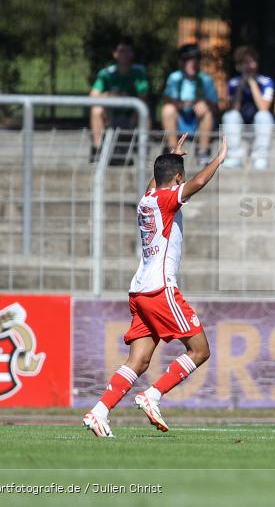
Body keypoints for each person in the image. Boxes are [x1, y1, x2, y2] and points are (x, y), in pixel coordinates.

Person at [82, 133, 228, 438]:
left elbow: (157, 182)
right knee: (200, 350)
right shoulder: (165, 199)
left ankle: (98, 412)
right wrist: (218, 159)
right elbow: (197, 184)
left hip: (139, 290)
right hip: (160, 289)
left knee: (139, 359)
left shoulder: (146, 200)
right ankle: (153, 395)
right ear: (176, 179)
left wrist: (171, 156)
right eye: (180, 179)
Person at [88, 37, 150, 162]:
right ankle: (97, 149)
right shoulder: (106, 74)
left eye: (127, 51)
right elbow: (93, 95)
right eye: (121, 51)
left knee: (144, 112)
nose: (124, 54)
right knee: (96, 110)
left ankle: (144, 151)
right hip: (110, 113)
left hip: (131, 112)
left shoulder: (139, 72)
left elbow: (143, 96)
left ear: (132, 54)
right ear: (115, 54)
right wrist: (109, 95)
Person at [161, 44, 218, 166]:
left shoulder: (206, 79)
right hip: (180, 119)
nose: (192, 63)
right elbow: (166, 99)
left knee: (207, 112)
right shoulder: (175, 78)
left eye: (196, 59)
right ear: (181, 62)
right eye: (188, 59)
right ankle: (173, 152)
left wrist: (205, 103)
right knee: (168, 110)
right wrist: (183, 104)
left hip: (198, 121)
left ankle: (203, 152)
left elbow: (215, 108)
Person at [222, 45, 275, 170]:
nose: (249, 66)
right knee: (230, 116)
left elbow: (263, 107)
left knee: (264, 116)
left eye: (252, 62)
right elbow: (233, 107)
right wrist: (241, 85)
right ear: (238, 66)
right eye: (245, 62)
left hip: (258, 123)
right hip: (241, 122)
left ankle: (261, 158)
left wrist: (252, 83)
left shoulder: (266, 82)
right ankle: (235, 157)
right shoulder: (233, 83)